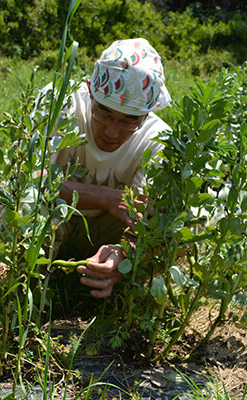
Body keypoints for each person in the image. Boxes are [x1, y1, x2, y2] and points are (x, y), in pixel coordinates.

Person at [51, 38, 172, 298]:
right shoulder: (60, 105)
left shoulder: (158, 140)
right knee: (30, 204)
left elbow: (147, 216)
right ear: (89, 92)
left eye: (130, 121)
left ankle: (116, 285)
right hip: (56, 220)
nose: (111, 132)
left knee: (177, 222)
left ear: (149, 113)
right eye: (103, 113)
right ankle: (22, 292)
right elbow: (30, 179)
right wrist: (106, 198)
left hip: (107, 232)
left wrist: (122, 253)